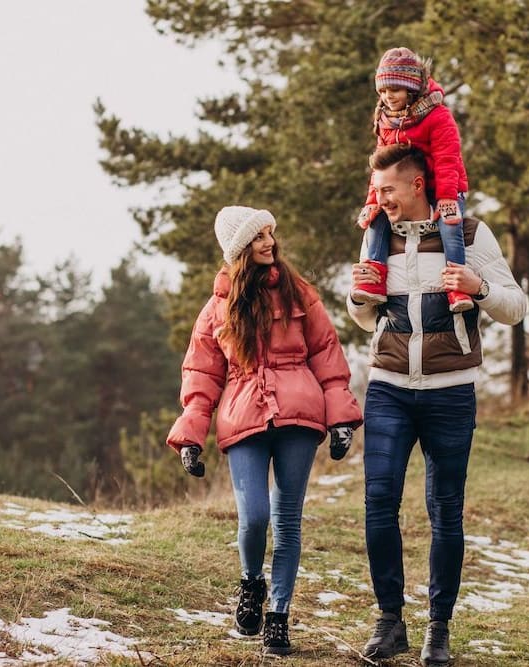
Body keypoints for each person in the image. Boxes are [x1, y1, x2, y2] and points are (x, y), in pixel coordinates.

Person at [347, 144, 526, 667]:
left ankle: (438, 629)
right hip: (388, 388)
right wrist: (359, 298)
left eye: (388, 191)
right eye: (377, 191)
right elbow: (365, 318)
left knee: (444, 510)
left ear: (419, 185)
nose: (380, 200)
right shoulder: (376, 233)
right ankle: (389, 621)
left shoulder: (469, 236)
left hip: (451, 391)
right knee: (379, 504)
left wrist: (480, 286)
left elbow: (514, 307)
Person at [167, 205, 363, 656]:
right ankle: (252, 582)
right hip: (243, 415)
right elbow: (201, 375)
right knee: (254, 516)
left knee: (288, 519)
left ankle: (278, 614)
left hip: (299, 414)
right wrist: (191, 436)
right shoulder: (218, 308)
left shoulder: (300, 295)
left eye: (271, 234)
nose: (269, 242)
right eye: (259, 237)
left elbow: (327, 358)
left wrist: (341, 420)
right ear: (239, 248)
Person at [352, 46, 473, 315]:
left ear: (411, 88)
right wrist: (373, 201)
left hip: (445, 187)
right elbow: (380, 167)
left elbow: (447, 160)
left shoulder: (438, 115)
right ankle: (375, 277)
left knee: (450, 226)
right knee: (377, 219)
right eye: (382, 91)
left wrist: (446, 198)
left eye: (394, 90)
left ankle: (457, 284)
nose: (387, 97)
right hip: (405, 191)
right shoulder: (385, 120)